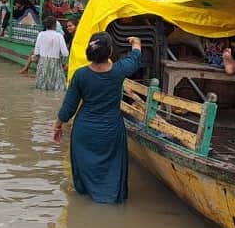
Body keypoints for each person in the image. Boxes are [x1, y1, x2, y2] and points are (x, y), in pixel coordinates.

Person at [53, 33, 142, 204]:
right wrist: (136, 42)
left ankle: (87, 201)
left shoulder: (80, 75)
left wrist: (57, 126)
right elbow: (135, 58)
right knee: (112, 167)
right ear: (109, 51)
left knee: (86, 168)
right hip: (111, 130)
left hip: (84, 131)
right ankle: (109, 200)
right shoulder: (119, 70)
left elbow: (68, 108)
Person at [19, 16, 69, 91]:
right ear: (54, 25)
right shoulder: (59, 36)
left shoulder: (41, 34)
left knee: (41, 87)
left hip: (42, 63)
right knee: (57, 88)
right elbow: (65, 53)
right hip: (55, 64)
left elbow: (36, 52)